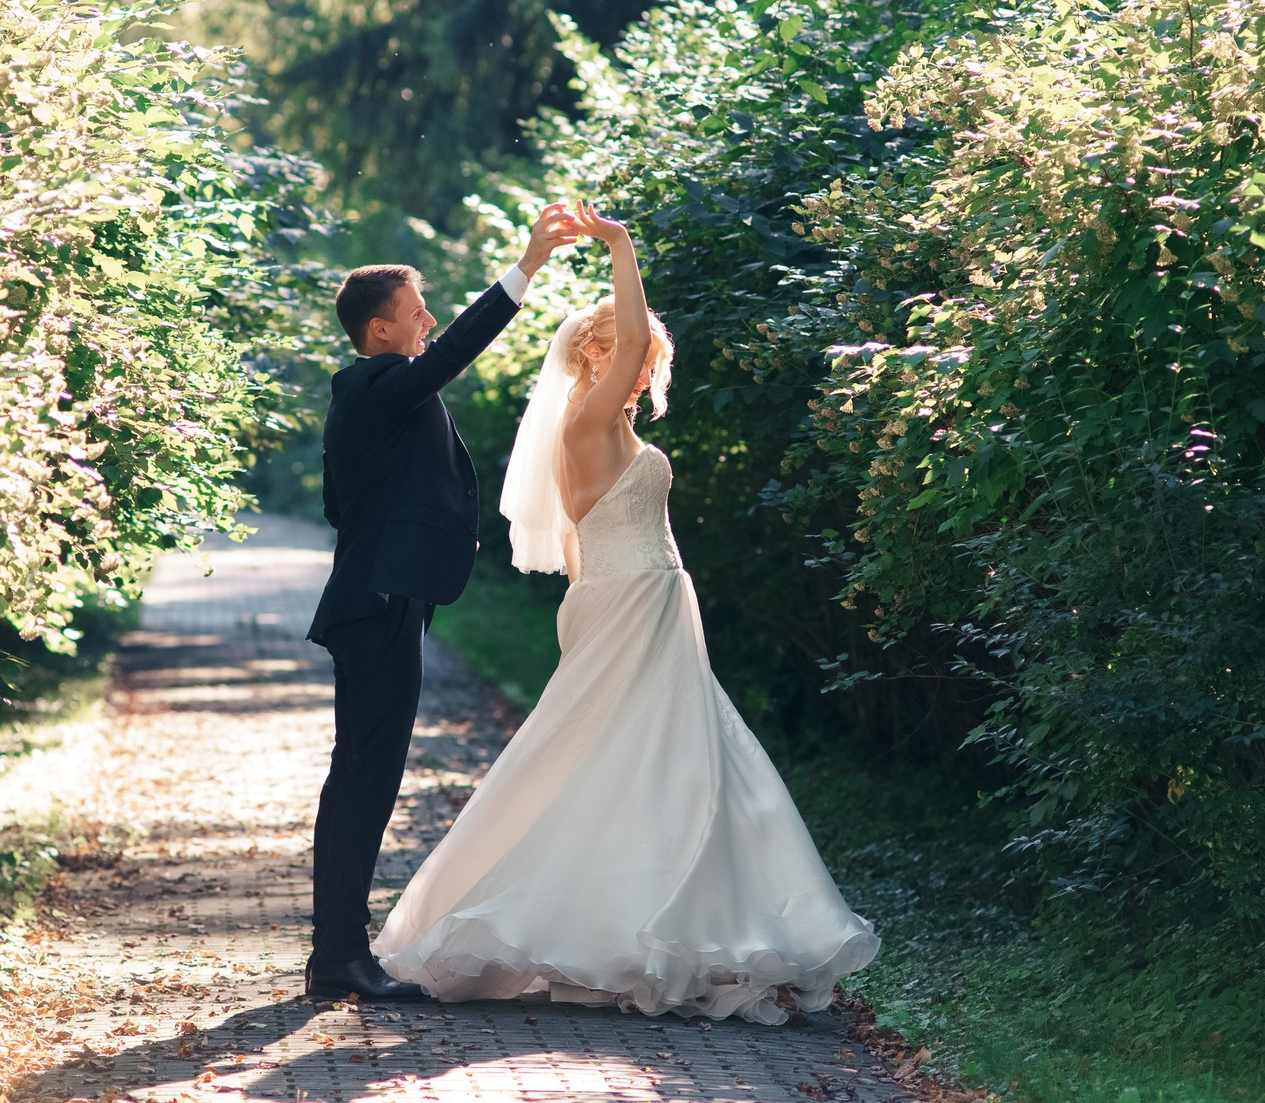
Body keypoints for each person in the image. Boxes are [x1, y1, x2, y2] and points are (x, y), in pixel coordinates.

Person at [372, 203, 880, 1023]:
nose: (644, 370)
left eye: (651, 363)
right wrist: (619, 243)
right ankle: (626, 931)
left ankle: (679, 929)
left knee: (658, 765)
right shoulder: (589, 417)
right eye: (634, 359)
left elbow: (581, 539)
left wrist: (592, 611)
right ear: (594, 354)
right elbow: (635, 343)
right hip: (637, 600)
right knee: (654, 763)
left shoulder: (596, 428)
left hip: (630, 600)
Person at [304, 204, 579, 1003]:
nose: (427, 320)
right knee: (365, 780)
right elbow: (456, 350)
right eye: (416, 311)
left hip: (379, 600)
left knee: (358, 776)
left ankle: (335, 953)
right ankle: (339, 958)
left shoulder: (366, 397)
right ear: (381, 330)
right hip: (380, 605)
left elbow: (338, 506)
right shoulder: (380, 384)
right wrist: (527, 265)